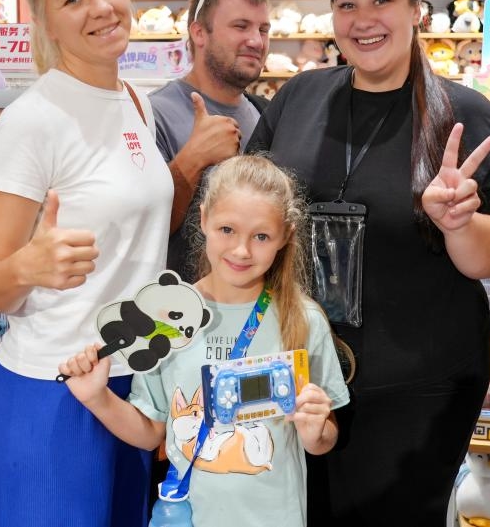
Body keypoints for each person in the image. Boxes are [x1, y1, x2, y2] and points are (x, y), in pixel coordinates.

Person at [245, 0, 490, 524]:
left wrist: (458, 223)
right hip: (300, 373)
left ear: (416, 9)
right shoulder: (299, 97)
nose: (363, 20)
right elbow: (250, 208)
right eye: (345, 3)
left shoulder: (463, 114)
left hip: (420, 382)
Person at [0, 0, 172, 527]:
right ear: (47, 24)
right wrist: (27, 267)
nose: (101, 8)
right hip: (51, 389)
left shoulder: (137, 99)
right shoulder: (30, 121)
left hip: (132, 382)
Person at [58, 154, 351, 527]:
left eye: (261, 236)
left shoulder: (303, 320)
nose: (242, 250)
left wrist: (316, 431)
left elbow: (324, 440)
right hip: (186, 517)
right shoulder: (163, 319)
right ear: (204, 220)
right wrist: (95, 397)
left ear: (285, 237)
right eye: (227, 230)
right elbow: (150, 433)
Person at [149, 0, 271, 283]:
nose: (256, 41)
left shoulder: (265, 112)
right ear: (200, 33)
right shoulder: (153, 113)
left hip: (253, 315)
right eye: (240, 26)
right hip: (179, 317)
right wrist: (193, 159)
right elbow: (143, 231)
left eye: (263, 29)